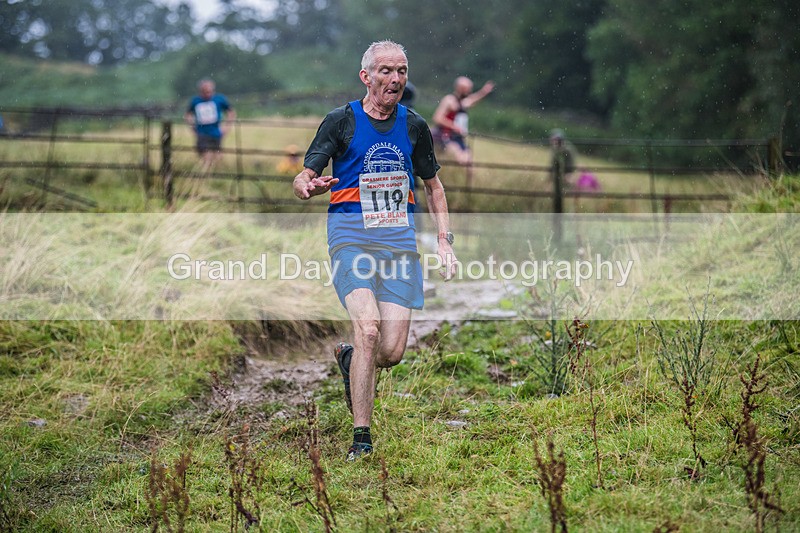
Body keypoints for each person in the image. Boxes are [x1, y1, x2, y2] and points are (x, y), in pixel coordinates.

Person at [292, 40, 459, 461]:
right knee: (368, 329)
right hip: (350, 238)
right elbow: (304, 175)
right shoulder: (340, 121)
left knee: (391, 351)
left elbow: (433, 186)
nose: (395, 79)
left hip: (399, 246)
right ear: (366, 77)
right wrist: (306, 185)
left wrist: (444, 239)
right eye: (385, 71)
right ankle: (361, 438)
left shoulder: (415, 126)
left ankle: (351, 362)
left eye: (401, 70)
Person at [432, 76, 495, 165]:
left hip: (458, 138)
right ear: (460, 88)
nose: (469, 92)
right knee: (460, 159)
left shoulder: (463, 102)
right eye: (467, 89)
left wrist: (484, 92)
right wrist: (454, 126)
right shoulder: (449, 100)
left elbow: (473, 99)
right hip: (446, 136)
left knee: (468, 161)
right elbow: (437, 118)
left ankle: (467, 178)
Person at [184, 79, 236, 172]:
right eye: (205, 92)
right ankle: (205, 175)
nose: (207, 94)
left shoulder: (219, 99)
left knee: (218, 157)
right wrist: (192, 127)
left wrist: (227, 127)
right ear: (200, 91)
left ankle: (216, 177)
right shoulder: (195, 101)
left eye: (209, 92)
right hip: (202, 134)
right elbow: (188, 114)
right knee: (206, 157)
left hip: (216, 133)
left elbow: (231, 112)